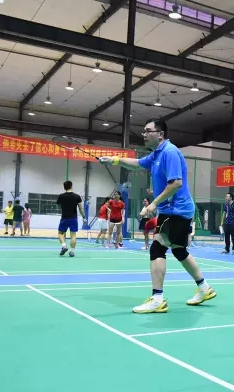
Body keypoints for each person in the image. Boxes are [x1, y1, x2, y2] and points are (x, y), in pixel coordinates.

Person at [99, 118, 215, 313]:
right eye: (143, 131)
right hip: (172, 210)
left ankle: (157, 298)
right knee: (178, 250)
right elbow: (137, 164)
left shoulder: (169, 152)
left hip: (177, 209)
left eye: (148, 131)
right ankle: (204, 288)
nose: (144, 134)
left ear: (160, 134)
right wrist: (114, 159)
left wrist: (153, 204)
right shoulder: (156, 154)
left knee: (157, 248)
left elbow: (176, 183)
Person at [57, 180, 87, 257]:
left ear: (64, 187)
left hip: (64, 218)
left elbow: (58, 205)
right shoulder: (77, 196)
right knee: (73, 235)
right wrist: (84, 217)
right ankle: (71, 251)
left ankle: (64, 246)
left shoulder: (61, 196)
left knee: (60, 233)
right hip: (73, 218)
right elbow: (81, 208)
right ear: (71, 186)